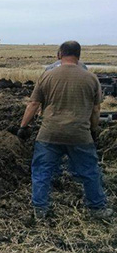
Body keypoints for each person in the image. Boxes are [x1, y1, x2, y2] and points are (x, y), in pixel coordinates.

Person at [18, 41, 113, 220]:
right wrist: (92, 130)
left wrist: (23, 127)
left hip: (49, 134)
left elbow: (33, 104)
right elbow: (96, 110)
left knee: (41, 171)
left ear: (59, 54)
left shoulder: (47, 75)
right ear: (79, 56)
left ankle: (40, 209)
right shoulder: (91, 78)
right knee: (90, 172)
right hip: (79, 135)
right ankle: (97, 209)